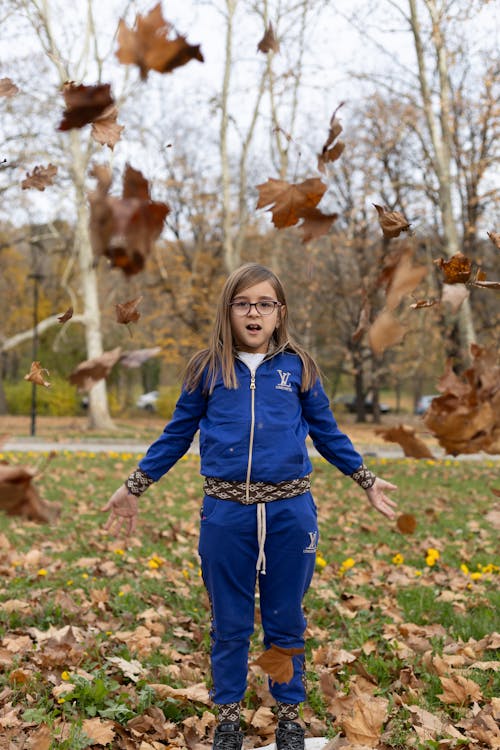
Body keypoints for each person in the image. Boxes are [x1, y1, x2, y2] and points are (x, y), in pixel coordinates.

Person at [103, 262, 397, 750]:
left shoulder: (298, 367)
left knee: (285, 618)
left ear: (280, 313)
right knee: (230, 623)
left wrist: (363, 478)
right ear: (229, 311)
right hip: (226, 516)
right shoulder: (207, 368)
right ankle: (228, 720)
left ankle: (287, 719)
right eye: (243, 303)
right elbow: (177, 434)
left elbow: (326, 432)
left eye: (265, 303)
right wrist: (134, 485)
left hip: (290, 514)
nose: (254, 312)